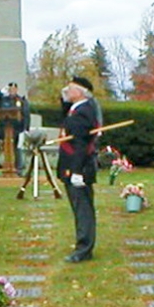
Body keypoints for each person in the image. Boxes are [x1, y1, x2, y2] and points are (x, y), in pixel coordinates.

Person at [56, 76, 100, 263]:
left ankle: (84, 249)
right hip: (74, 166)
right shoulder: (77, 109)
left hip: (78, 168)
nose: (67, 90)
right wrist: (64, 99)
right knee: (79, 207)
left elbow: (80, 144)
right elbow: (66, 118)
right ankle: (82, 245)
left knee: (83, 210)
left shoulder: (83, 112)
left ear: (81, 92)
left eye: (71, 88)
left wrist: (76, 171)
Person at [0, 82, 30, 176]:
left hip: (18, 129)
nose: (12, 91)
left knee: (18, 149)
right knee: (7, 149)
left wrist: (25, 129)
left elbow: (26, 115)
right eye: (10, 89)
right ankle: (7, 168)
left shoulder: (21, 100)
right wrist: (0, 92)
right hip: (6, 129)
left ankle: (19, 170)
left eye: (13, 89)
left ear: (16, 90)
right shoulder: (3, 99)